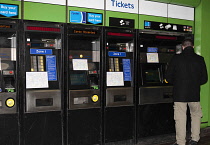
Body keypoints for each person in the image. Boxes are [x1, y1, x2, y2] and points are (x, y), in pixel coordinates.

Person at [165, 39, 208, 145]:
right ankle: (194, 139)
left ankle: (180, 142)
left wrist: (178, 83)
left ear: (183, 47)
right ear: (192, 47)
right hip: (194, 94)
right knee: (196, 116)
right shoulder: (200, 59)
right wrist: (194, 83)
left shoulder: (176, 58)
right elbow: (204, 79)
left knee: (180, 118)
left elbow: (168, 77)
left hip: (180, 94)